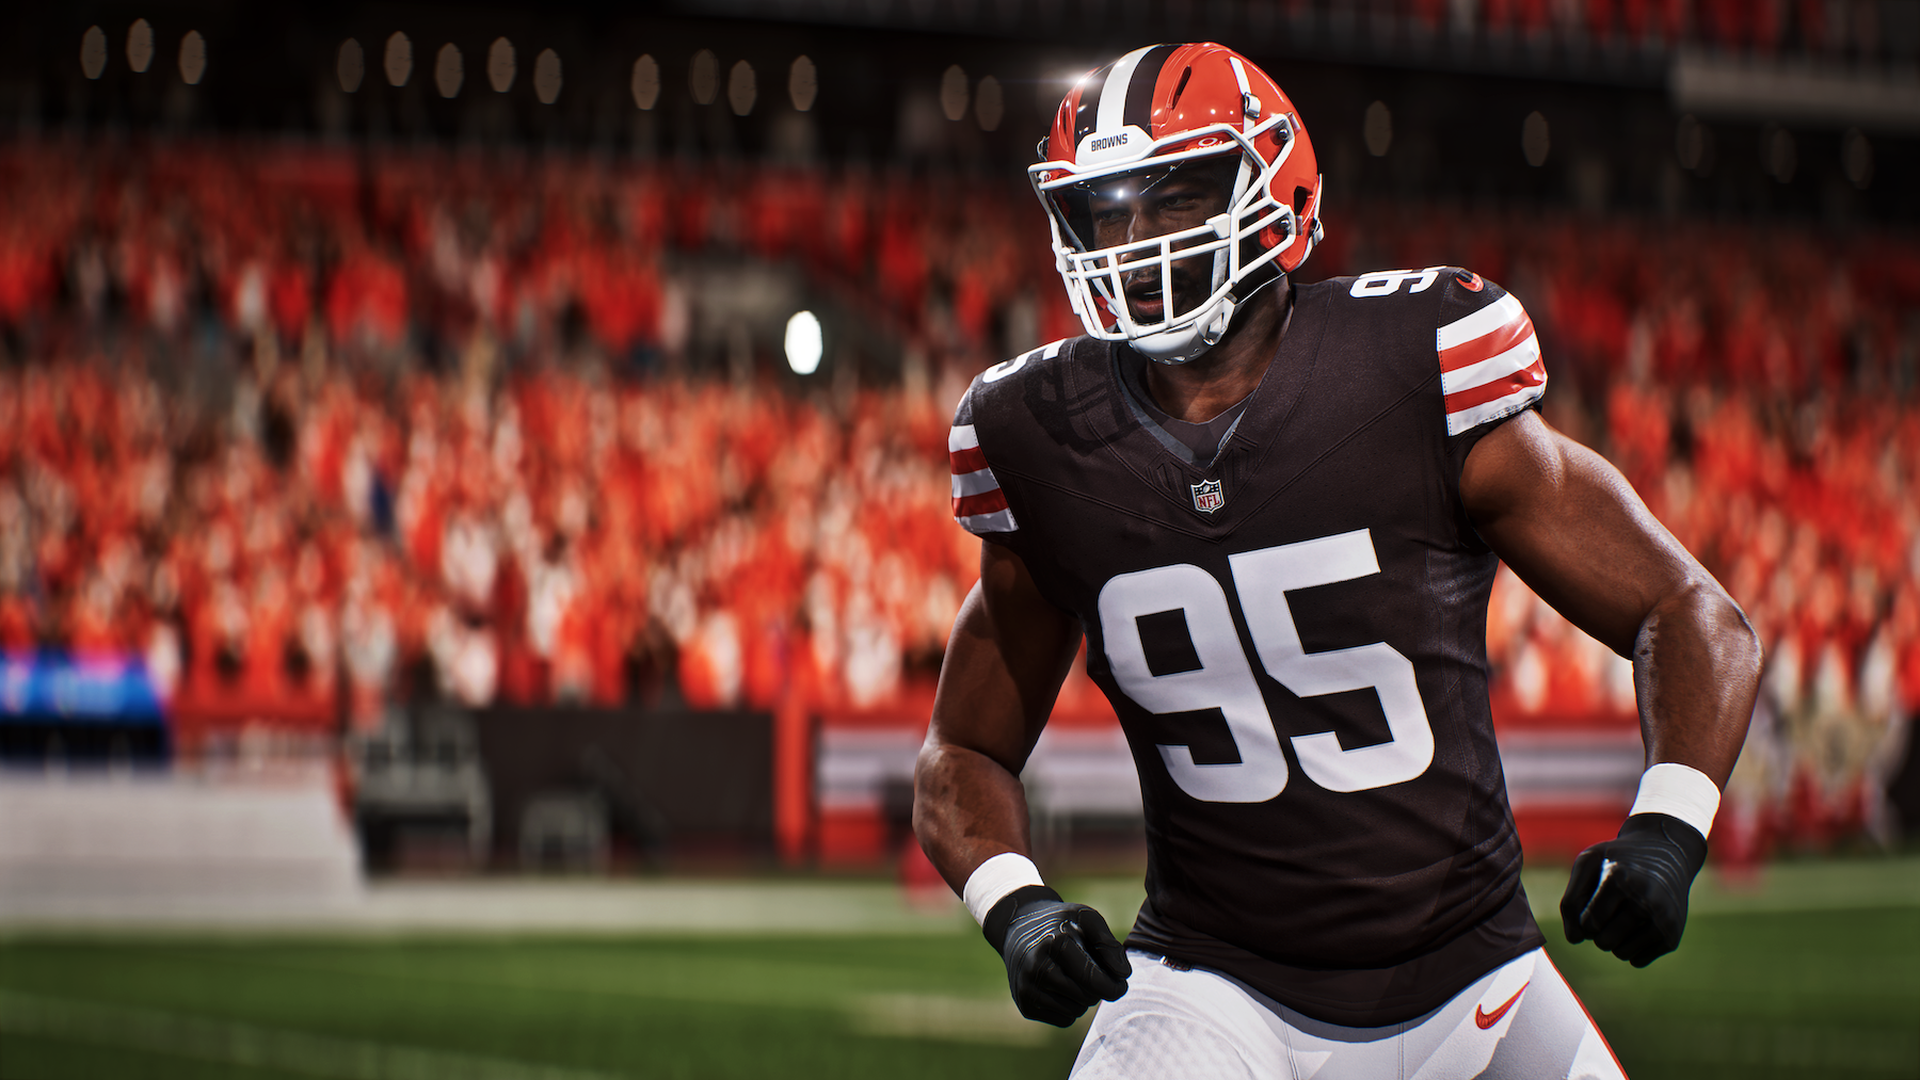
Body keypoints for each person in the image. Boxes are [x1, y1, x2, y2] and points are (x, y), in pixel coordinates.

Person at [912, 42, 1761, 1079]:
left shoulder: (1408, 363)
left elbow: (1691, 610)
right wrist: (1017, 907)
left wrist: (1669, 829)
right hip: (1211, 984)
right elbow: (962, 749)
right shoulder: (1041, 433)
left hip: (1475, 976)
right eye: (1110, 210)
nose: (1136, 239)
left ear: (1278, 185)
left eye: (1178, 197)